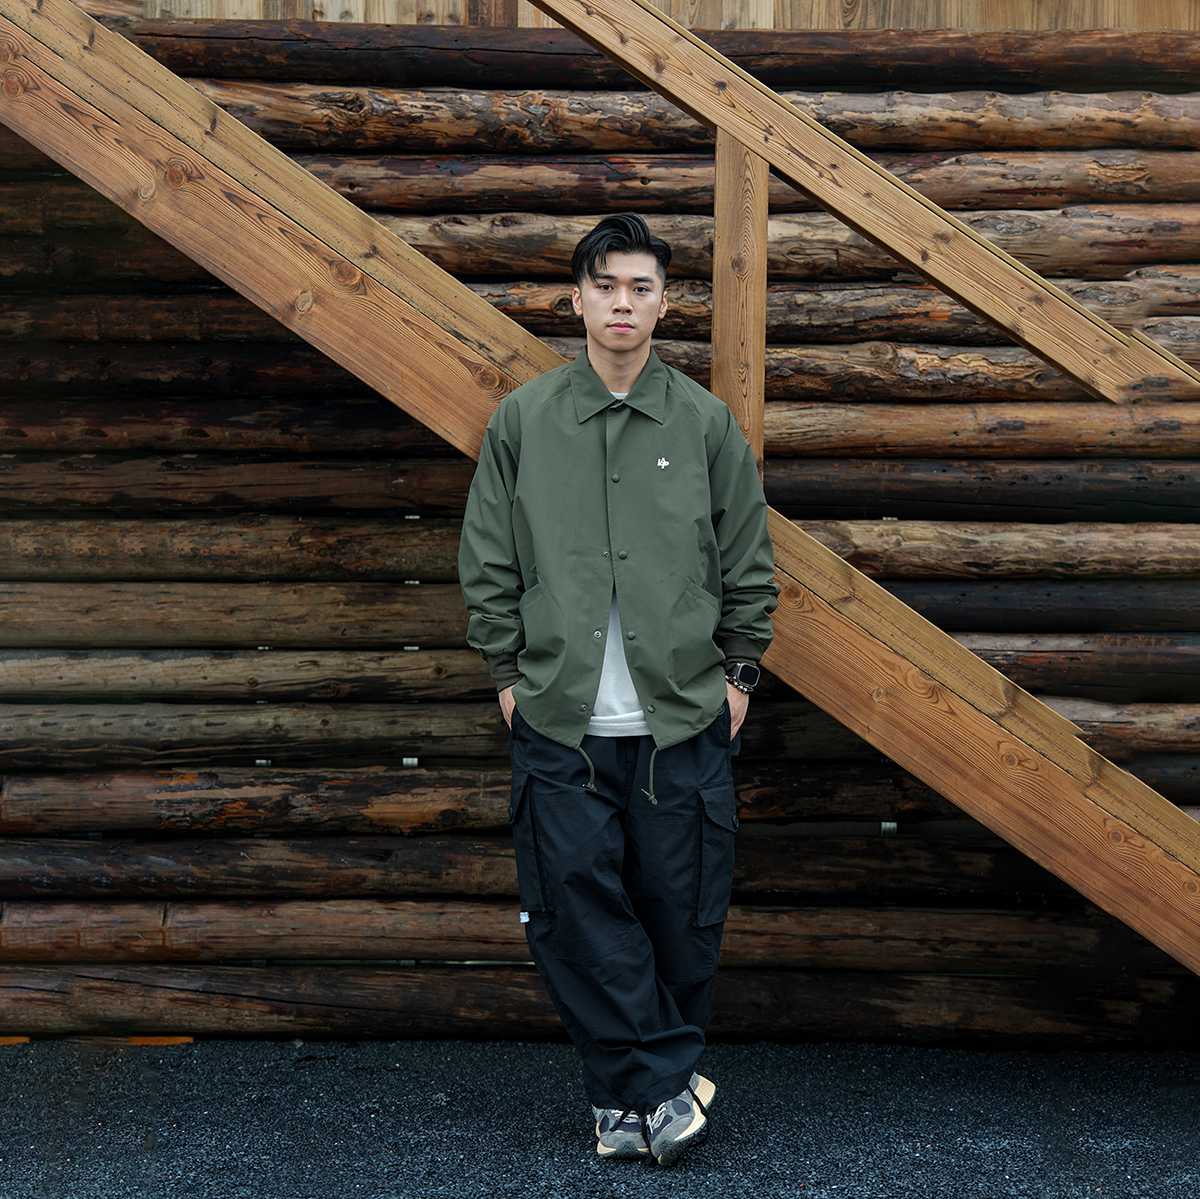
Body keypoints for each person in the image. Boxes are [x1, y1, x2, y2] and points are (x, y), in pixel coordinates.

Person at [457, 214, 778, 1167]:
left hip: (681, 717)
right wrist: (508, 679)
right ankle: (665, 1088)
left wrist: (739, 676)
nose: (622, 303)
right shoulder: (524, 421)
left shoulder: (704, 424)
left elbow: (748, 561)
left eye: (640, 287)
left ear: (664, 303)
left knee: (681, 915)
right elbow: (487, 562)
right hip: (561, 718)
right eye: (605, 286)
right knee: (574, 913)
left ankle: (624, 1099)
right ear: (578, 300)